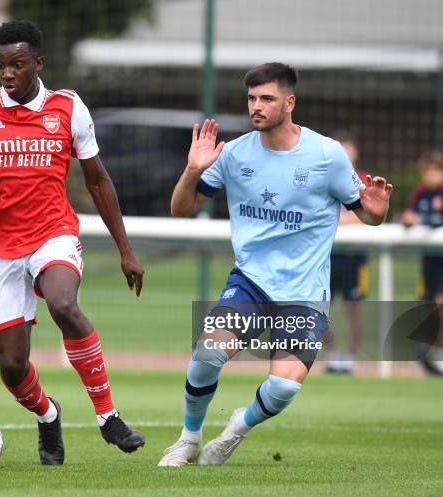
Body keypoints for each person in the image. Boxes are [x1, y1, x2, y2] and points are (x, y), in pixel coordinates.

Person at [0, 20, 145, 466]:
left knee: (63, 304)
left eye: (17, 64)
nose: (7, 73)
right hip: (1, 247)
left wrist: (125, 250)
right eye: (1, 65)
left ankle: (109, 418)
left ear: (38, 64)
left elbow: (99, 180)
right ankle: (48, 415)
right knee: (12, 367)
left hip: (54, 233)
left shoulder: (68, 108)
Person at [158, 63, 392, 467]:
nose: (257, 106)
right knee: (207, 354)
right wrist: (193, 170)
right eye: (252, 98)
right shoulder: (233, 154)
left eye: (266, 98)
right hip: (251, 282)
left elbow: (368, 215)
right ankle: (188, 438)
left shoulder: (326, 154)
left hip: (304, 292)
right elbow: (181, 209)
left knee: (283, 389)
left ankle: (235, 430)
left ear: (290, 102)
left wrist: (377, 211)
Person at [325, 132, 370, 374]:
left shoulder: (363, 180)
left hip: (355, 257)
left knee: (354, 310)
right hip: (327, 255)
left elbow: (370, 216)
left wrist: (345, 220)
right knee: (321, 309)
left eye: (348, 148)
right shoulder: (325, 178)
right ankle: (332, 356)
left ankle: (351, 358)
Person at [401, 151, 443, 375]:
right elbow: (409, 216)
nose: (430, 176)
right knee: (430, 306)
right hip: (430, 260)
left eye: (435, 171)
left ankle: (434, 350)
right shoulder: (420, 193)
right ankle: (429, 348)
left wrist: (423, 220)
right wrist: (408, 218)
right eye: (427, 172)